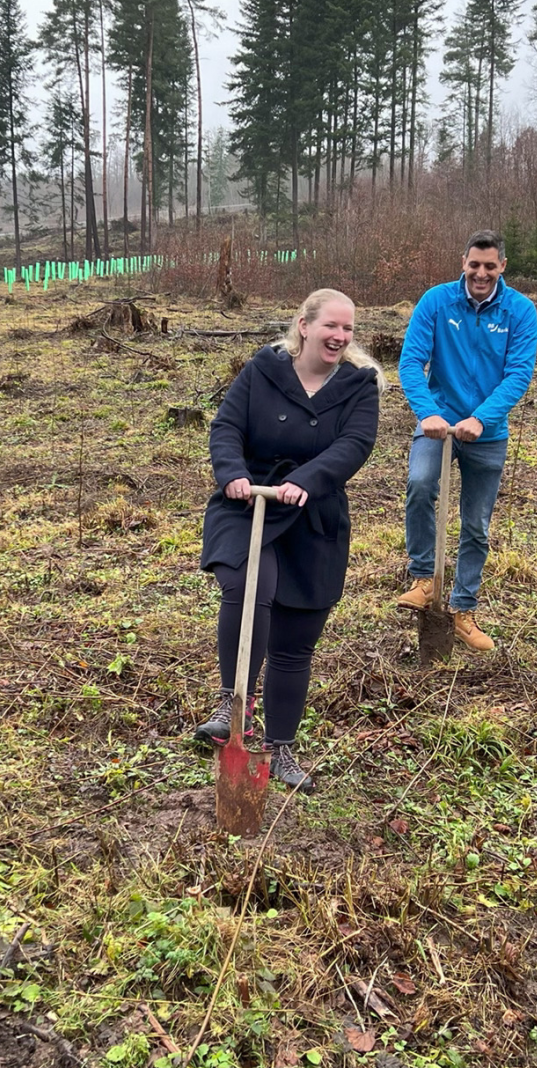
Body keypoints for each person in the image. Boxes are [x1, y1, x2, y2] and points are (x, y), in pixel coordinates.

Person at [194, 288, 384, 792]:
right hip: (249, 505)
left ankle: (280, 749)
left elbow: (355, 444)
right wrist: (231, 472)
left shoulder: (359, 386)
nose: (340, 337)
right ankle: (232, 704)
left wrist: (309, 479)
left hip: (313, 517)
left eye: (348, 330)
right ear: (304, 325)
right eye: (331, 327)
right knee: (248, 588)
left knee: (294, 645)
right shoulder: (263, 370)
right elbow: (226, 426)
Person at [397, 230, 537, 651]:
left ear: (502, 267)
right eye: (474, 265)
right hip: (437, 424)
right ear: (463, 263)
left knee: (475, 525)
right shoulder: (436, 302)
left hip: (487, 433)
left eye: (489, 266)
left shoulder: (520, 311)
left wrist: (481, 417)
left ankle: (463, 609)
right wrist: (429, 413)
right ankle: (424, 578)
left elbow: (518, 374)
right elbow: (410, 362)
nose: (481, 273)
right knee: (421, 484)